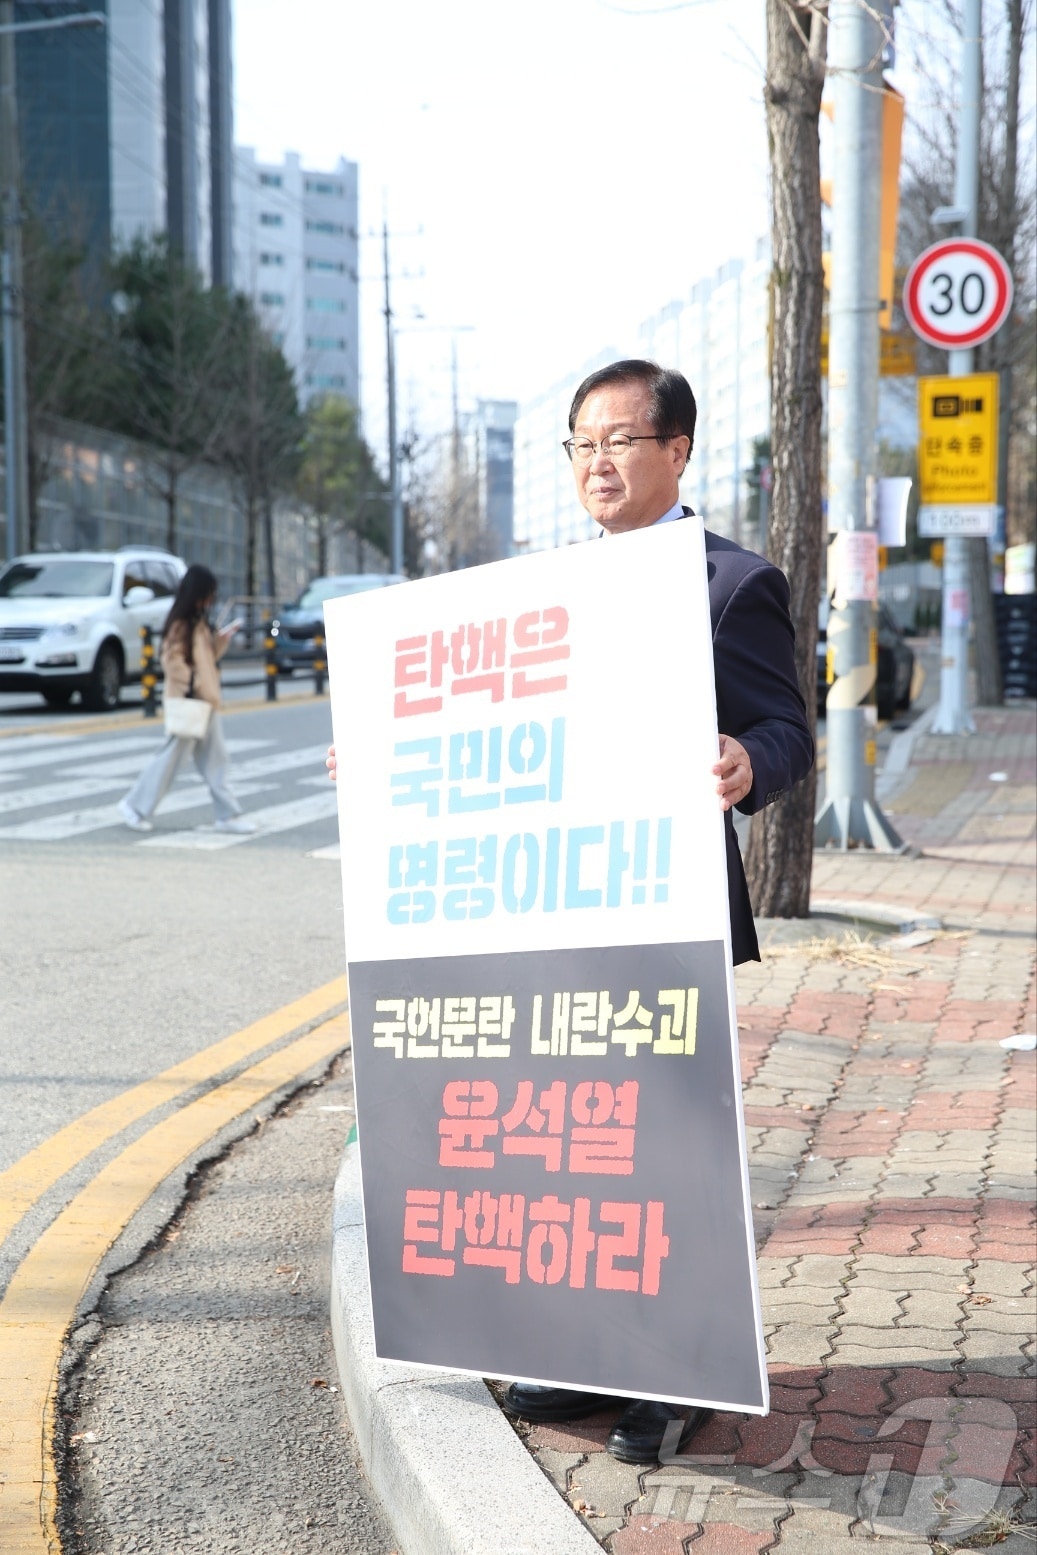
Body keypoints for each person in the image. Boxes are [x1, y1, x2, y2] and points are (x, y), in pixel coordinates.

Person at [327, 359, 813, 1463]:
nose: (595, 463)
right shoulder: (544, 593)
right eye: (578, 444)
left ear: (674, 450)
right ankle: (580, 1353)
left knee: (659, 1148)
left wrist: (748, 760)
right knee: (568, 1158)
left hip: (660, 909)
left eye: (617, 441)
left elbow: (786, 731)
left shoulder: (728, 583)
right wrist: (384, 757)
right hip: (543, 914)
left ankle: (672, 1378)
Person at [119, 563, 255, 835]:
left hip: (204, 700)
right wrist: (195, 684)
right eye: (209, 594)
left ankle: (227, 815)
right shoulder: (182, 624)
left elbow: (206, 659)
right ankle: (134, 806)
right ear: (199, 593)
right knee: (172, 760)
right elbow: (172, 660)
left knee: (214, 761)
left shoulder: (197, 622)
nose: (211, 599)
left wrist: (221, 641)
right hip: (191, 701)